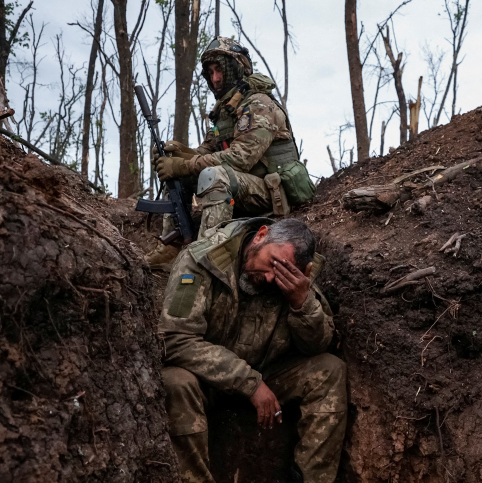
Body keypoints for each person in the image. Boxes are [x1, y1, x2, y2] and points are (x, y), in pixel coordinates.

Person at [159, 217, 347, 483]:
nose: (270, 278)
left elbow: (317, 347)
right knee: (175, 382)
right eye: (272, 264)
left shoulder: (296, 280)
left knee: (330, 369)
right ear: (260, 235)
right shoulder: (202, 259)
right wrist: (249, 384)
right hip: (209, 381)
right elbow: (174, 338)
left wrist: (301, 303)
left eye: (281, 273)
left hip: (270, 372)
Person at [146, 37, 317, 270]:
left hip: (272, 192)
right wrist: (179, 155)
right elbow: (206, 151)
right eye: (211, 72)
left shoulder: (259, 104)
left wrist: (185, 164)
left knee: (215, 175)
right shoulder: (224, 111)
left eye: (220, 70)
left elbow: (240, 158)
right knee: (179, 174)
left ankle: (207, 259)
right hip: (241, 187)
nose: (215, 78)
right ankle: (171, 247)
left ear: (237, 69)